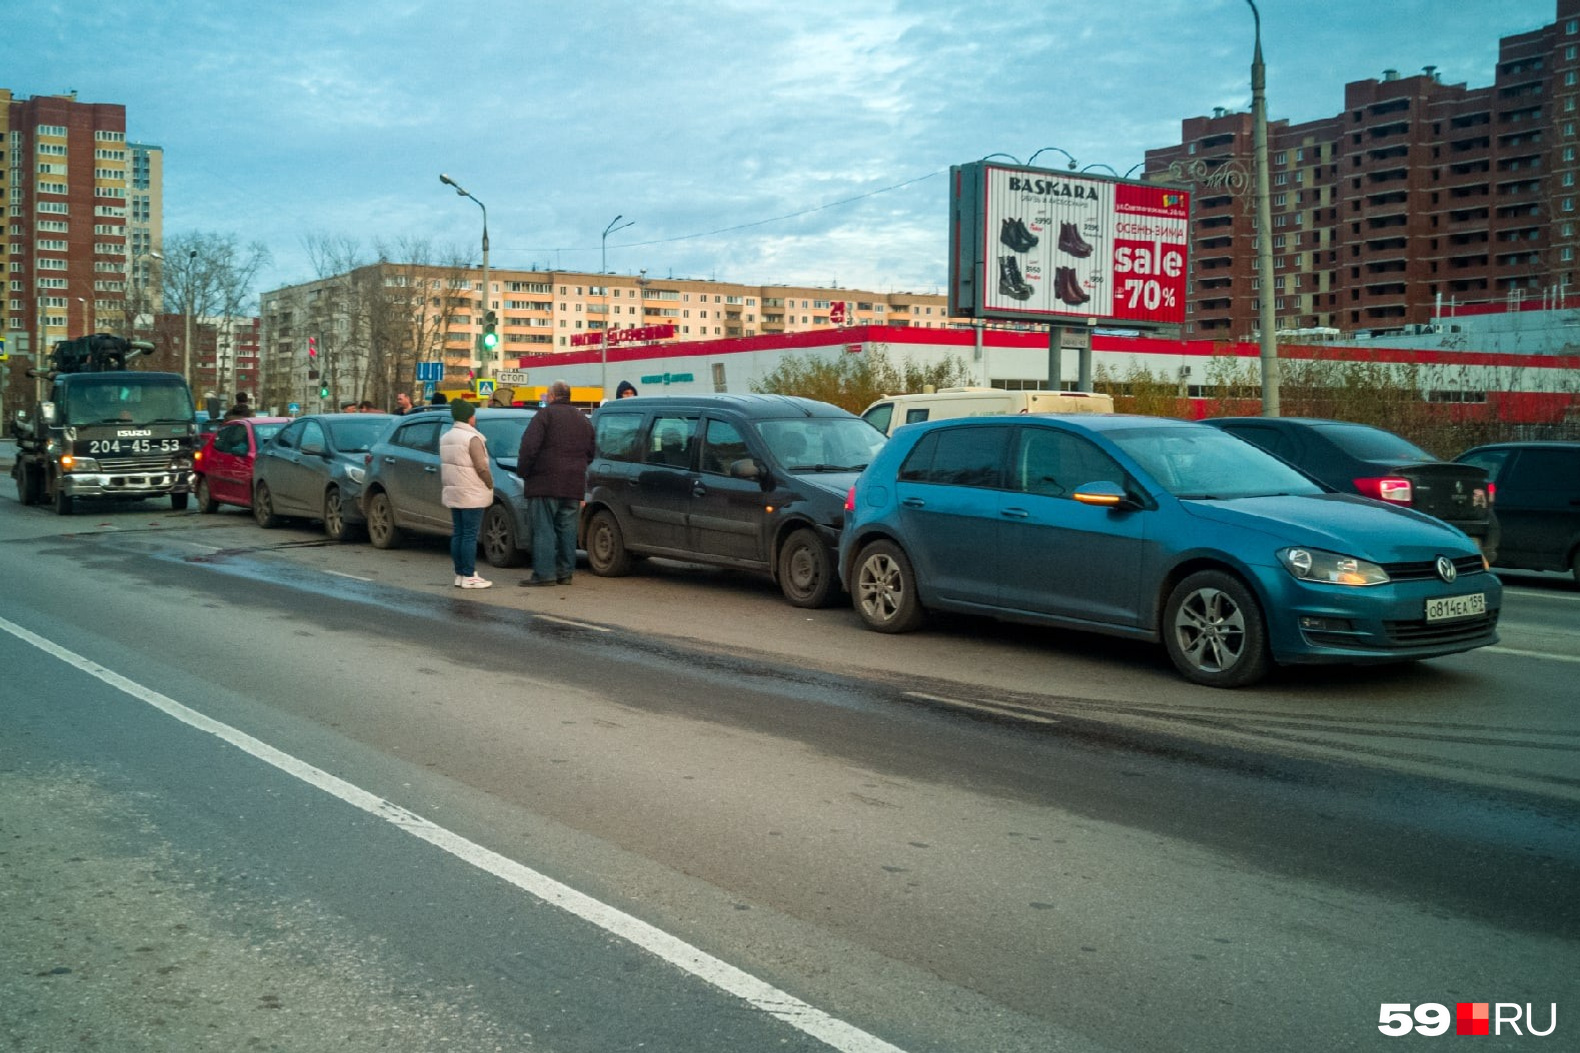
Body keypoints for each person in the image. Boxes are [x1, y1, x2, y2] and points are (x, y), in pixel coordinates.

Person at [516, 379, 595, 587]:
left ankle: (544, 574)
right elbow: (591, 452)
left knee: (543, 529)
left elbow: (529, 448)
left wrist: (524, 473)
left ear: (551, 396)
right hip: (573, 485)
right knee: (567, 530)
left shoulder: (544, 416)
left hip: (545, 483)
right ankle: (565, 573)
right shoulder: (583, 419)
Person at [440, 399, 495, 589]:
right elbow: (481, 466)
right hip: (471, 491)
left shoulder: (446, 437)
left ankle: (460, 574)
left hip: (454, 490)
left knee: (459, 533)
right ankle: (470, 575)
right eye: (473, 414)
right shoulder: (472, 438)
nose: (475, 418)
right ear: (469, 417)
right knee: (470, 535)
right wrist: (489, 483)